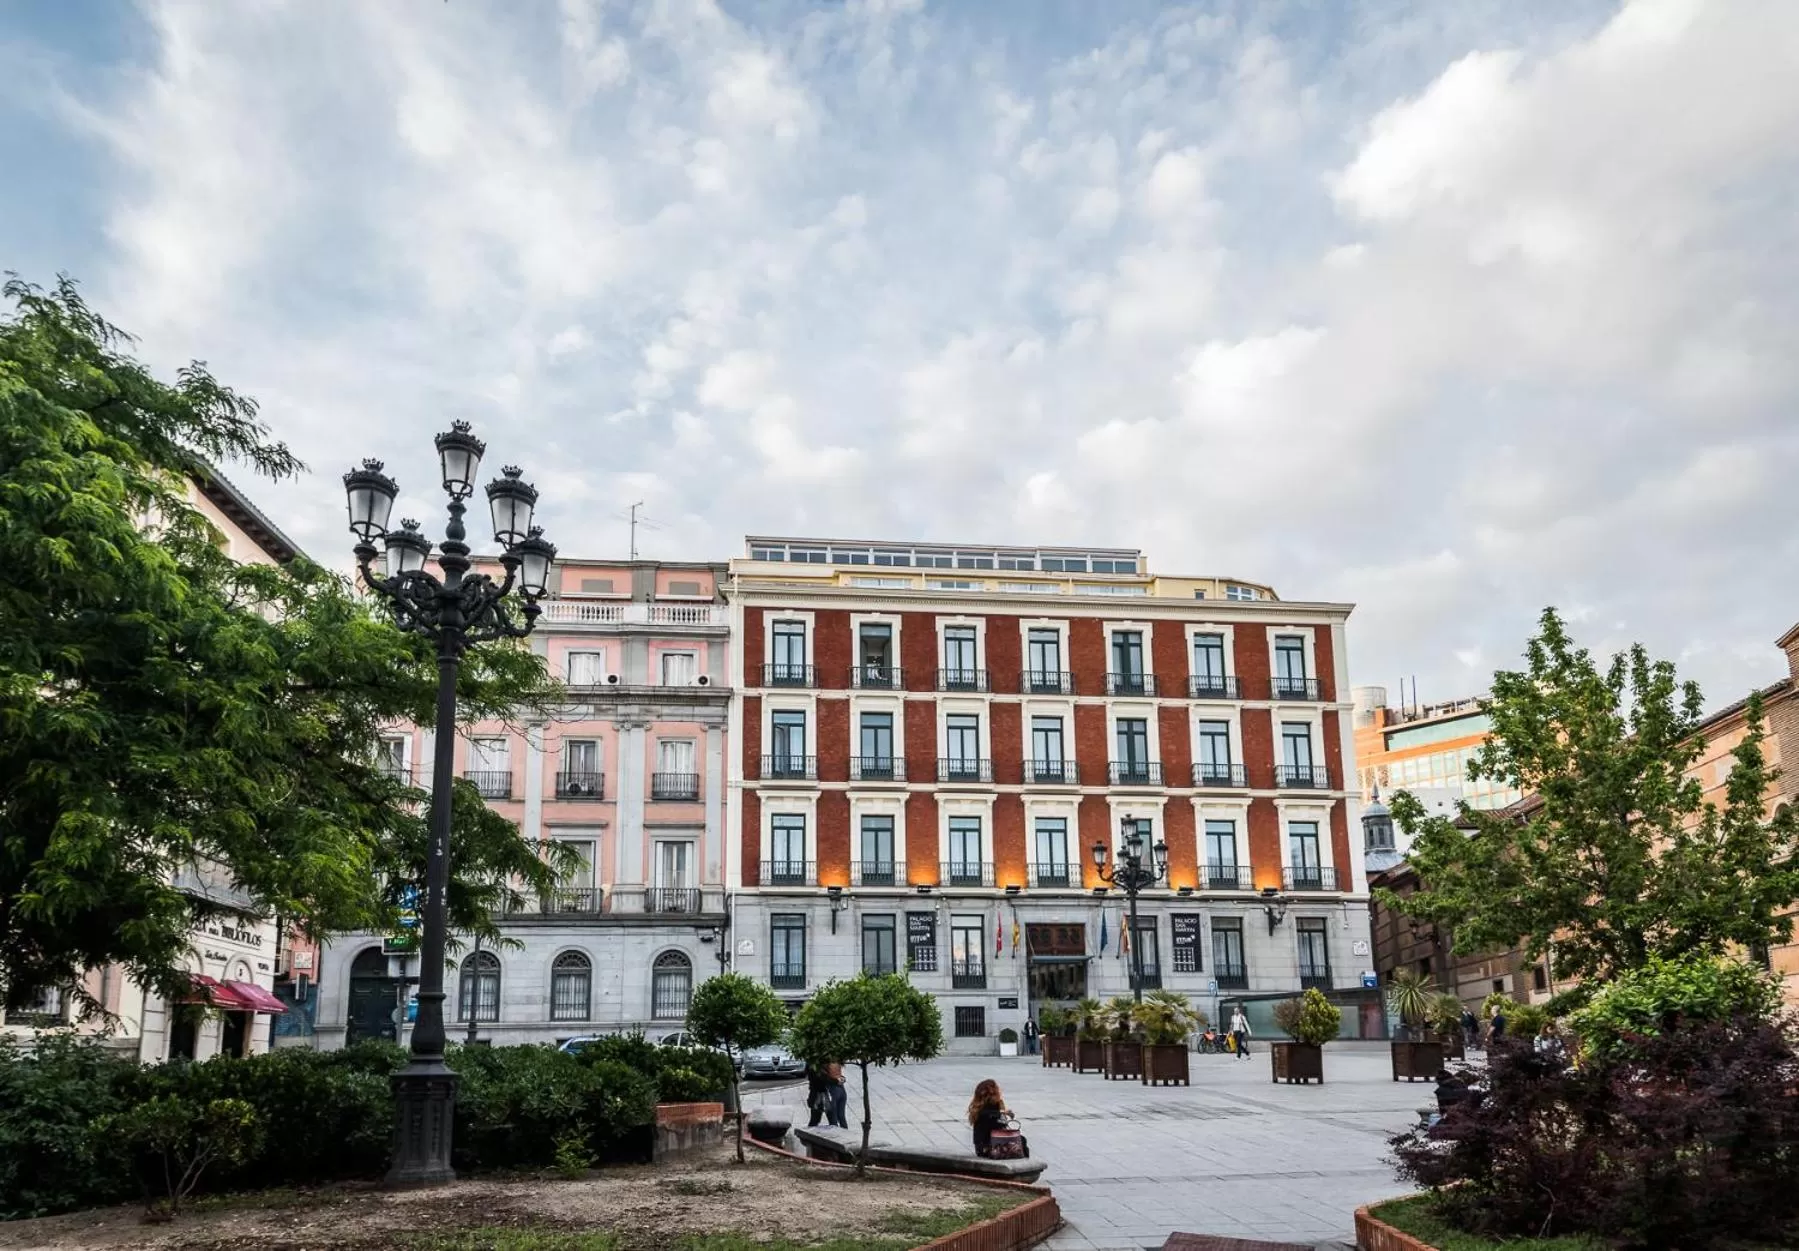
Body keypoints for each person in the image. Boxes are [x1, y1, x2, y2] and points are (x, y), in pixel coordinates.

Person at [967, 1078, 1025, 1158]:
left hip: (982, 1147)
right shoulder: (991, 1106)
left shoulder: (978, 1106)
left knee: (1021, 1140)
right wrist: (1002, 1114)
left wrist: (1002, 1113)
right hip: (989, 1147)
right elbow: (995, 1123)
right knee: (1021, 1142)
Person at [824, 1059, 849, 1129]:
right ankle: (846, 1134)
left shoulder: (825, 1063)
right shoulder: (837, 1061)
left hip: (833, 1090)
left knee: (834, 1119)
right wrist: (841, 1079)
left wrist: (837, 1080)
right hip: (841, 1089)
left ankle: (837, 1136)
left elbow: (826, 1078)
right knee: (841, 1116)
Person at [805, 1062, 831, 1128]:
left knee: (815, 1118)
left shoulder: (811, 1065)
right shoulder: (816, 1067)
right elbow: (819, 1080)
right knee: (816, 1118)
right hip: (818, 1093)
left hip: (815, 1092)